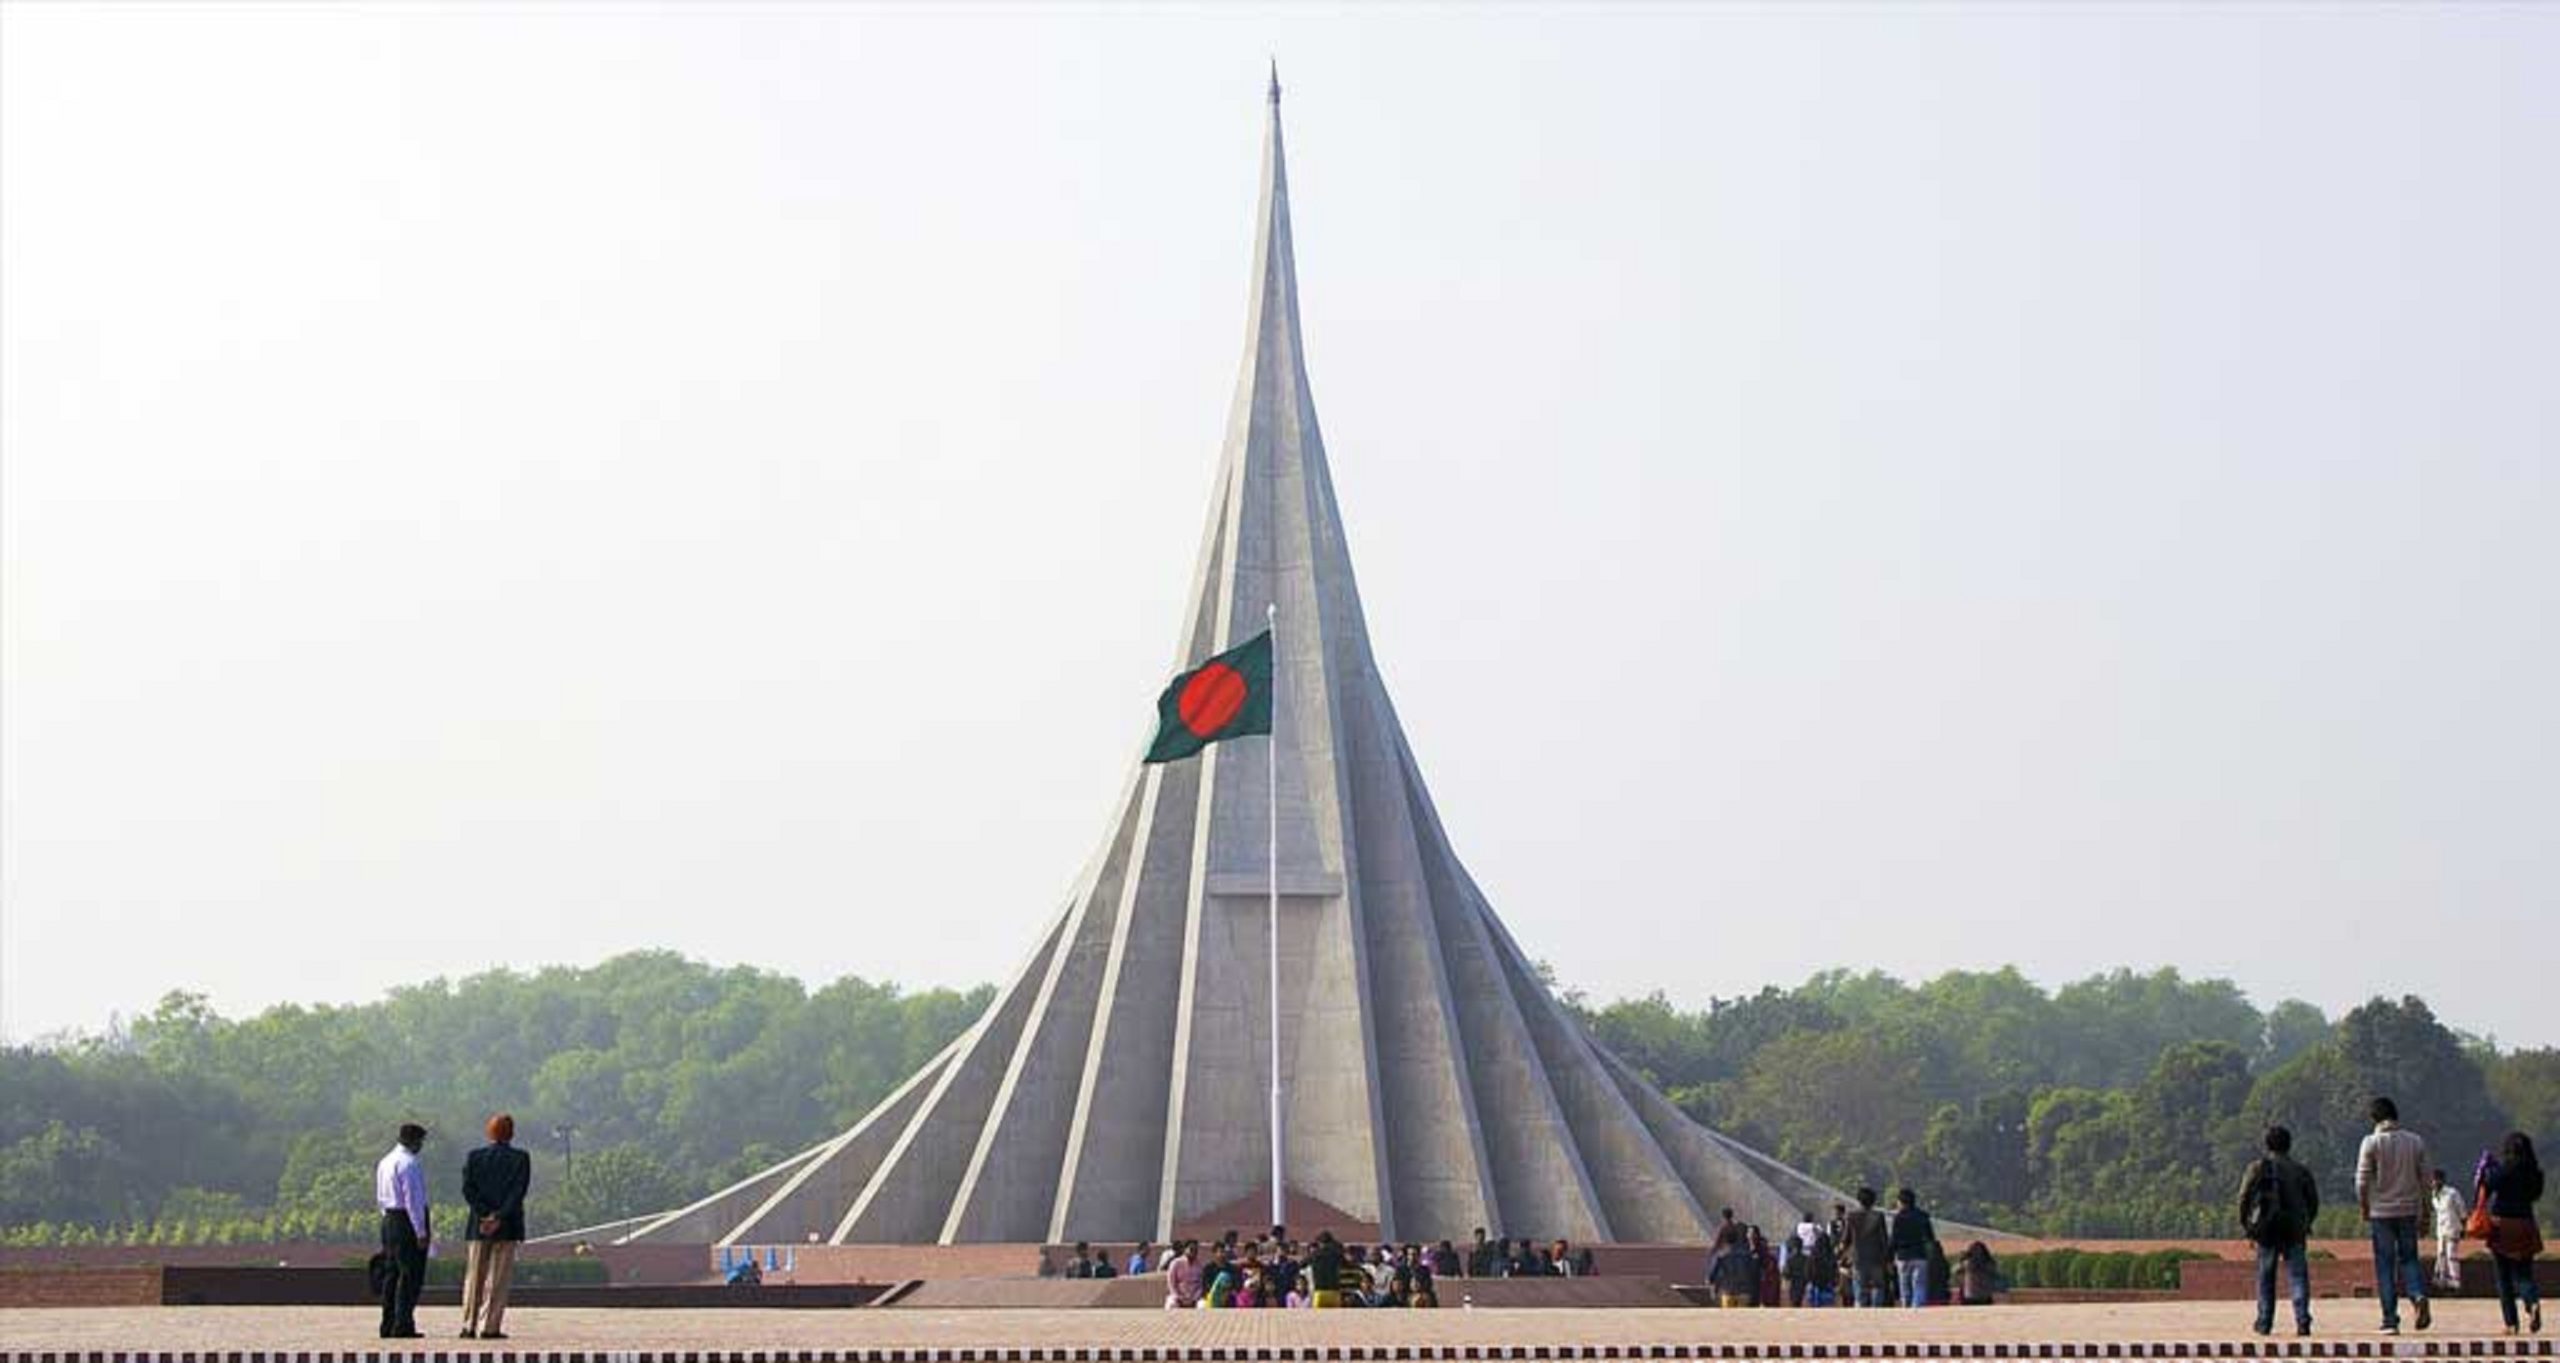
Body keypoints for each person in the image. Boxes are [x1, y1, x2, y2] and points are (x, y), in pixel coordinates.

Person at [2356, 1095, 2433, 1333]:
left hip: (2381, 1212)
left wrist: (2364, 1206)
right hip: (2408, 1209)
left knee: (2385, 1265)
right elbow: (2426, 1180)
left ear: (2374, 1118)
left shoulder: (2371, 1142)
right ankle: (2417, 1294)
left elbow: (2361, 1180)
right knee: (2409, 1259)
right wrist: (2426, 1212)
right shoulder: (2415, 1141)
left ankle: (2390, 1319)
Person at [2240, 1123, 2320, 1337]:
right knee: (2298, 1276)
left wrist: (2247, 1226)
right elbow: (2313, 1201)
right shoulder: (2300, 1170)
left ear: (2267, 1145)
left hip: (2268, 1229)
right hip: (2294, 1228)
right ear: (2289, 1145)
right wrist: (2306, 1222)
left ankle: (2265, 1321)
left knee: (2266, 1276)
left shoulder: (2258, 1168)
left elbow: (2244, 1197)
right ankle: (2302, 1319)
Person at [458, 1112, 531, 1341]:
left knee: (474, 1277)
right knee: (498, 1280)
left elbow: (468, 1190)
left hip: (479, 1227)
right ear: (511, 1133)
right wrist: (499, 1216)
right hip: (507, 1226)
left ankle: (468, 1325)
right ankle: (489, 1326)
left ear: (488, 1132)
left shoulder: (474, 1157)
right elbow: (518, 1192)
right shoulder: (520, 1158)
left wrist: (484, 1215)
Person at [2477, 1131, 2544, 1336]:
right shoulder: (2535, 1173)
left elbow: (2485, 1188)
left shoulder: (2503, 1171)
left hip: (2502, 1226)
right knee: (2524, 1272)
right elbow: (2535, 1195)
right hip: (2525, 1224)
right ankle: (2532, 1302)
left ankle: (2511, 1323)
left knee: (2503, 1277)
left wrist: (2485, 1170)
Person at [373, 1122, 431, 1339]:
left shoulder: (385, 1161)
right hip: (406, 1221)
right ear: (414, 1141)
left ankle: (387, 1323)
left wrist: (387, 1219)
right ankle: (403, 1324)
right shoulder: (410, 1164)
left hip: (389, 1219)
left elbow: (380, 1197)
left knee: (391, 1274)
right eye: (420, 1142)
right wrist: (421, 1232)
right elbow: (413, 1201)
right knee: (410, 1274)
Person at [1887, 1187, 1935, 1309]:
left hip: (1903, 1256)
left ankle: (1906, 1308)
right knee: (1919, 1286)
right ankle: (1918, 1309)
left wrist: (1889, 1257)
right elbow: (1930, 1237)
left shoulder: (1898, 1218)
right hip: (1920, 1255)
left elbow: (1894, 1239)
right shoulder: (1923, 1216)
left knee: (1905, 1286)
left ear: (1901, 1202)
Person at [1845, 1186, 1891, 1307]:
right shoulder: (1879, 1216)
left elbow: (1846, 1240)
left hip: (1858, 1258)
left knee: (1860, 1289)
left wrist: (1841, 1255)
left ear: (1859, 1200)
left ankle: (1861, 1315)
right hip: (1876, 1258)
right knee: (1878, 1287)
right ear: (1873, 1201)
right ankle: (1876, 1313)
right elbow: (1884, 1240)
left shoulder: (1851, 1216)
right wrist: (1887, 1259)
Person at [2430, 1168, 2469, 1292]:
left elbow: (2461, 1209)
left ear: (2442, 1180)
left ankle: (2455, 1283)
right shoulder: (2434, 1196)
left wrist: (2464, 1226)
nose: (2435, 1183)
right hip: (2441, 1230)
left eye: (2437, 1180)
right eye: (2433, 1180)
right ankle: (2441, 1282)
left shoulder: (2452, 1193)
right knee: (2441, 1254)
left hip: (2453, 1228)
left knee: (2451, 1254)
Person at [1956, 1241, 1999, 1306]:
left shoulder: (1988, 1263)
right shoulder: (1967, 1263)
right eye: (1975, 1251)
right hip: (1971, 1296)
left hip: (1982, 1296)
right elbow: (1957, 1272)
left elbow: (1994, 1272)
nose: (1977, 1253)